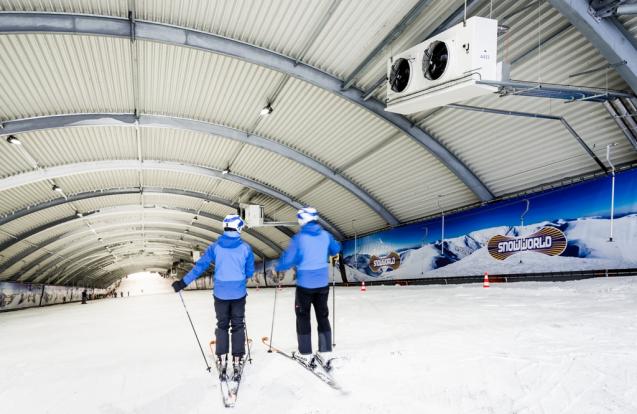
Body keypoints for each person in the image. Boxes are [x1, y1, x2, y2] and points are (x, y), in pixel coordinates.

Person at [172, 214, 254, 378]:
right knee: (238, 325)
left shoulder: (215, 247)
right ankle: (237, 359)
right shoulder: (246, 248)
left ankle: (222, 358)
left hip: (221, 294)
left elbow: (200, 267)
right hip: (238, 294)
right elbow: (249, 271)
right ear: (238, 228)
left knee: (222, 325)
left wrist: (183, 283)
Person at [275, 207, 340, 363]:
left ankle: (305, 352)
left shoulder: (299, 238)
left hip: (305, 286)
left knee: (303, 317)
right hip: (322, 285)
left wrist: (279, 266)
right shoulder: (325, 235)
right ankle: (325, 350)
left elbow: (290, 259)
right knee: (322, 316)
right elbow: (336, 248)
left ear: (302, 220)